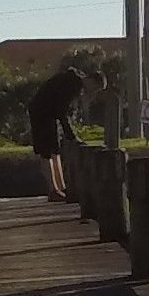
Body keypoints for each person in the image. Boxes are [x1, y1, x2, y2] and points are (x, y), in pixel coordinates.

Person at [26, 65, 87, 200]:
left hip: (49, 114)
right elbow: (62, 111)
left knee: (55, 151)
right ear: (92, 81)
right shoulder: (72, 84)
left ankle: (62, 187)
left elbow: (61, 110)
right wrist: (72, 136)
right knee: (46, 151)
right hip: (41, 113)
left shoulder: (74, 81)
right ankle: (53, 189)